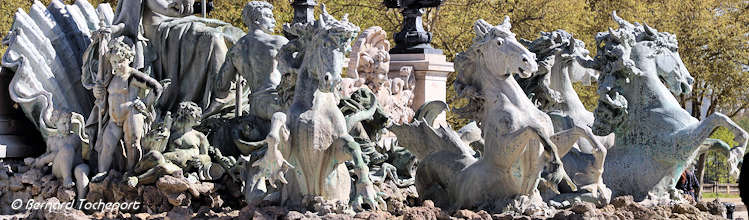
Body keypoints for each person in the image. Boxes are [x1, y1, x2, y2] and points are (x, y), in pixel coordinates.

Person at [91, 37, 164, 182]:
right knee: (107, 145)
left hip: (131, 114)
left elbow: (157, 87)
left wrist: (145, 103)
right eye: (114, 62)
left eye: (120, 62)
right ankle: (102, 172)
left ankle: (131, 172)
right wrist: (96, 92)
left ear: (129, 59)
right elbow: (101, 93)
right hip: (113, 120)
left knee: (132, 144)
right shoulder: (111, 78)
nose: (117, 66)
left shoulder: (133, 76)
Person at [206, 1, 289, 119]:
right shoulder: (278, 42)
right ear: (256, 20)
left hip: (255, 105)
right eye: (269, 16)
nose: (274, 21)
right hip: (276, 100)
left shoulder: (234, 51)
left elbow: (221, 85)